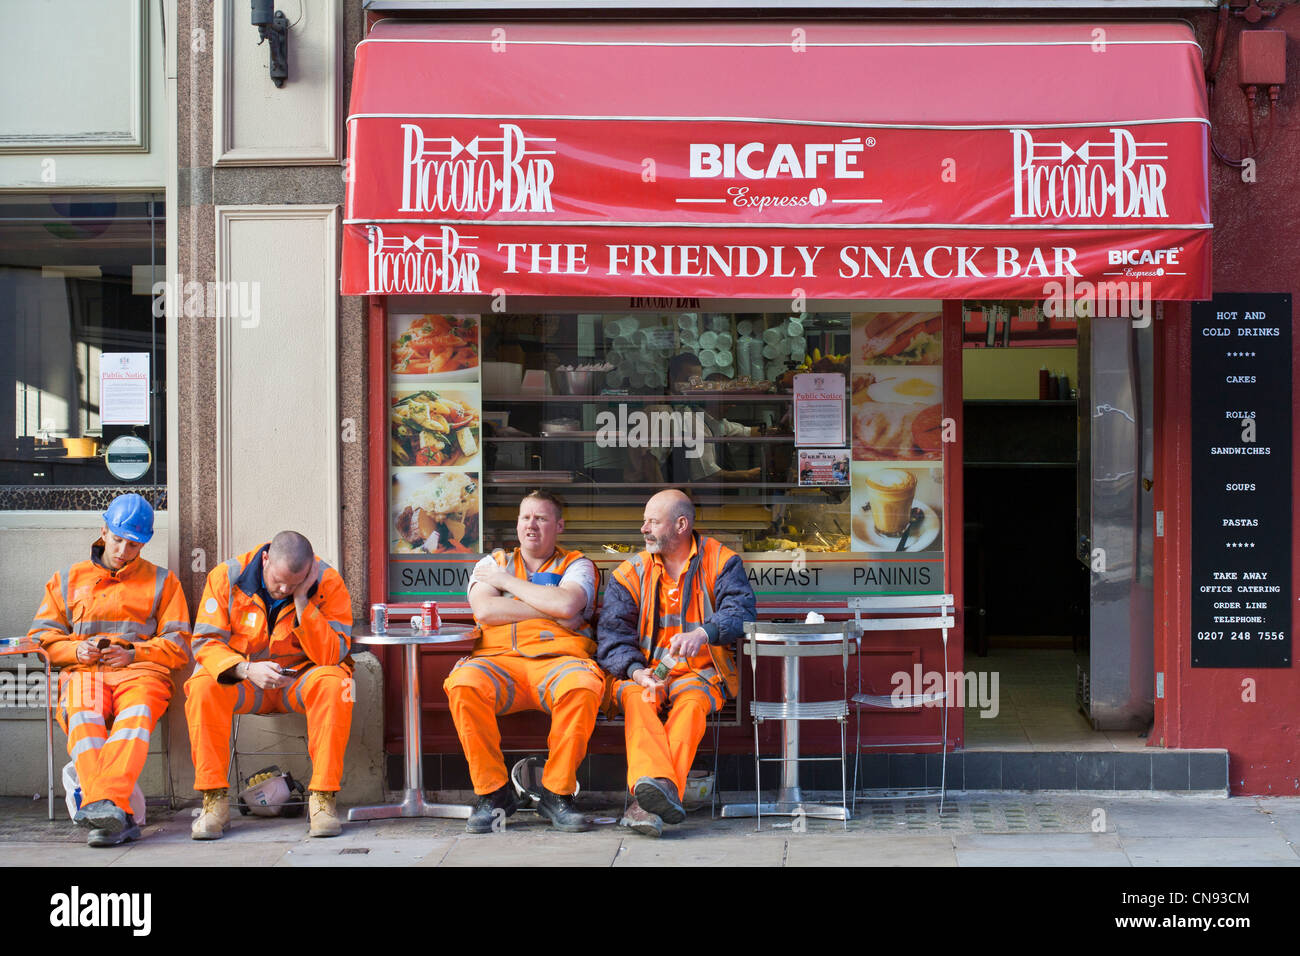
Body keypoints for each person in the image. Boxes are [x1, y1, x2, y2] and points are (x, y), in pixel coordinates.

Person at [27, 493, 191, 848]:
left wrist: (134, 652)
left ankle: (101, 808)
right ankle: (116, 813)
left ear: (144, 543)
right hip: (84, 674)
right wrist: (75, 649)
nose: (123, 550)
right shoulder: (67, 579)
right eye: (117, 540)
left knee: (134, 718)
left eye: (133, 545)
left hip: (143, 674)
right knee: (84, 722)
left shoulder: (163, 581)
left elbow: (179, 644)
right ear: (103, 530)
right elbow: (40, 638)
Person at [597, 489, 756, 837]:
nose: (643, 529)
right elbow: (612, 637)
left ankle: (644, 805)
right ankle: (663, 794)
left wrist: (703, 633)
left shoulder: (722, 560)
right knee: (640, 702)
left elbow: (741, 612)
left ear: (681, 525)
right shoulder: (629, 572)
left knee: (691, 708)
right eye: (645, 521)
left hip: (700, 673)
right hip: (642, 672)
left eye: (653, 521)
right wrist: (638, 673)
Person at [445, 490, 603, 833]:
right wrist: (550, 608)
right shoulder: (493, 562)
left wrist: (505, 586)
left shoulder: (577, 564)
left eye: (541, 518)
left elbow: (568, 604)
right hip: (497, 661)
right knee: (462, 684)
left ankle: (556, 794)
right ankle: (493, 794)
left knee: (584, 686)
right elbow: (485, 609)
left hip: (559, 661)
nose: (531, 525)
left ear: (558, 526)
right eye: (525, 517)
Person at [185, 531, 353, 839]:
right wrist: (246, 669)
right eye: (279, 581)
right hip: (244, 680)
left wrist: (303, 599)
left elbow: (333, 654)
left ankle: (323, 798)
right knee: (201, 686)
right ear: (265, 559)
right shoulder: (227, 576)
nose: (284, 589)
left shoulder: (327, 582)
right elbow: (205, 644)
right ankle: (214, 801)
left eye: (295, 582)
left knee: (337, 684)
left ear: (309, 572)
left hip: (297, 681)